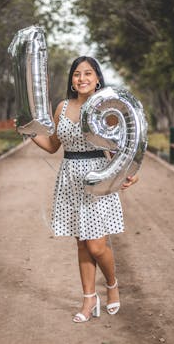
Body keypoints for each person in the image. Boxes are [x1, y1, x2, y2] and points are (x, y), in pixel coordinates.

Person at [30, 56, 138, 323]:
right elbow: (54, 145)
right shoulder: (62, 107)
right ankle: (89, 299)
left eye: (88, 73)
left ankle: (112, 285)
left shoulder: (106, 107)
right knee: (82, 243)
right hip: (70, 177)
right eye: (77, 74)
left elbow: (122, 146)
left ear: (97, 78)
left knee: (97, 245)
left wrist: (129, 173)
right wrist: (30, 133)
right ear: (72, 80)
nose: (82, 78)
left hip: (97, 177)